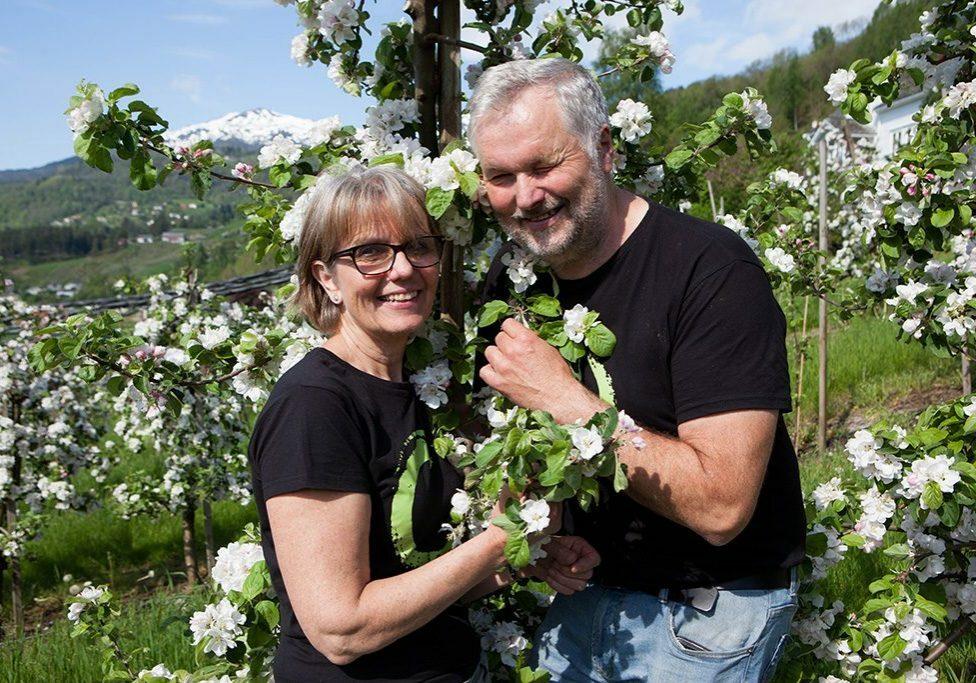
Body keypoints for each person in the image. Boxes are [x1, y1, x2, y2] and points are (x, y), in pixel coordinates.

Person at [469, 58, 807, 681]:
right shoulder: (512, 286)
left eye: (544, 166)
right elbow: (528, 452)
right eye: (501, 176)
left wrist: (565, 401)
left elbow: (723, 507)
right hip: (587, 595)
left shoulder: (709, 271)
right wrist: (544, 534)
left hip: (706, 611)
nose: (524, 196)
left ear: (603, 149)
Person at [247, 165, 598, 682]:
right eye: (369, 253)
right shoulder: (314, 408)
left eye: (418, 247)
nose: (403, 269)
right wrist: (500, 540)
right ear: (326, 278)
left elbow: (413, 576)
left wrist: (523, 559)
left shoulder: (414, 388)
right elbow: (341, 629)